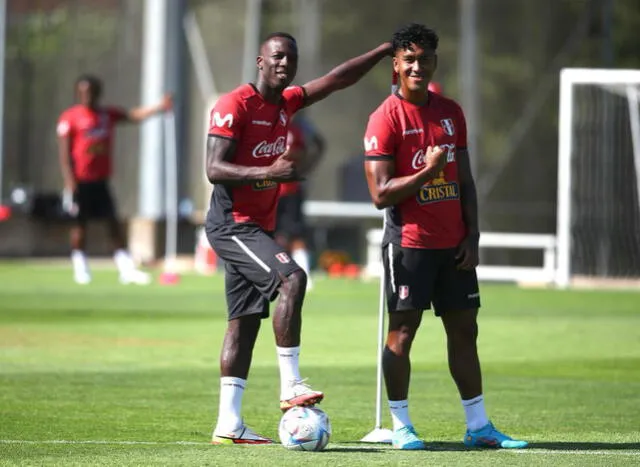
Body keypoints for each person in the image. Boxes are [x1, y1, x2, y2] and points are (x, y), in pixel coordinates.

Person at [206, 32, 391, 444]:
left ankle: (229, 424)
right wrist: (270, 172)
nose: (283, 64)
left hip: (257, 227)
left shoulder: (288, 103)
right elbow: (214, 168)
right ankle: (291, 384)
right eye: (275, 57)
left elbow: (338, 79)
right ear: (259, 61)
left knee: (244, 324)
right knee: (293, 278)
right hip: (231, 224)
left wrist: (381, 51)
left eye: (290, 58)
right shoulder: (233, 105)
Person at [363, 23, 528, 450]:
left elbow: (465, 180)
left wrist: (473, 234)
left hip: (453, 243)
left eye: (426, 58)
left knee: (464, 329)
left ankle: (478, 427)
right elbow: (380, 194)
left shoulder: (451, 112)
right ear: (396, 66)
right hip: (409, 245)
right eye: (410, 59)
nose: (418, 66)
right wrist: (428, 171)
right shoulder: (385, 118)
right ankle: (401, 426)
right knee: (403, 332)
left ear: (435, 61)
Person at [56, 75, 172, 285]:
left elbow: (133, 115)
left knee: (113, 223)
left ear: (98, 93)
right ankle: (80, 268)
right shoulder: (70, 118)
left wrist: (159, 107)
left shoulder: (106, 115)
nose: (87, 96)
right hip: (79, 181)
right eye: (82, 92)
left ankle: (126, 269)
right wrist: (69, 180)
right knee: (80, 225)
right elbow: (65, 154)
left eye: (90, 92)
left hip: (100, 180)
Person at [275, 114, 326, 291]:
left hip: (290, 191)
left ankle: (304, 274)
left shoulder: (297, 129)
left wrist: (303, 168)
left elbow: (310, 149)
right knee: (270, 235)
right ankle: (274, 274)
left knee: (296, 234)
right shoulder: (268, 125)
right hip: (267, 189)